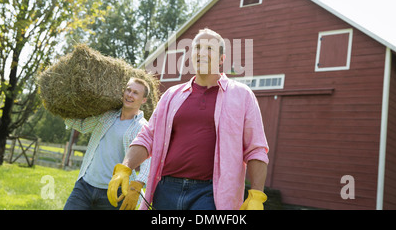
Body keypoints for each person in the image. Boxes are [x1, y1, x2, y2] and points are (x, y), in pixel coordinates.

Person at [108, 28, 269, 210]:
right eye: (197, 47)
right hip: (167, 189)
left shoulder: (241, 95)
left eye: (209, 48)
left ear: (222, 59)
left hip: (211, 195)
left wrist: (256, 195)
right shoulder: (171, 95)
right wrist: (125, 167)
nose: (201, 52)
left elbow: (256, 149)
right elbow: (147, 137)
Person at [63, 77, 151, 210]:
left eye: (135, 93)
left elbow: (149, 160)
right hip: (85, 186)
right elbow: (82, 126)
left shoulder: (143, 127)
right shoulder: (107, 116)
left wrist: (138, 185)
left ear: (143, 100)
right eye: (128, 90)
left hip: (114, 193)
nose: (129, 95)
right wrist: (63, 109)